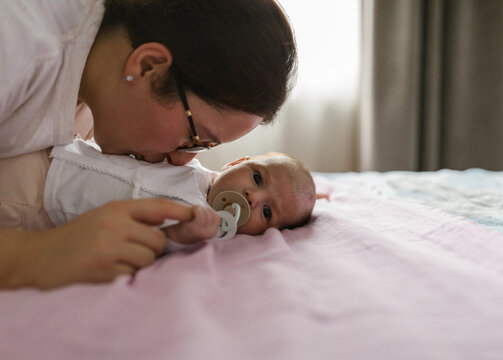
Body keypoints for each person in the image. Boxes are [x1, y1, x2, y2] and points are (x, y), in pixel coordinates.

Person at [0, 0, 297, 288]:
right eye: (192, 139)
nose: (181, 161)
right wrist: (37, 253)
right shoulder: (19, 45)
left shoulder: (106, 86)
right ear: (148, 66)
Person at [44, 138, 316, 247]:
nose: (253, 198)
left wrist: (182, 235)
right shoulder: (186, 163)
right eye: (257, 178)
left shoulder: (210, 230)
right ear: (235, 163)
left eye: (267, 212)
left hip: (47, 203)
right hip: (61, 152)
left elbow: (159, 243)